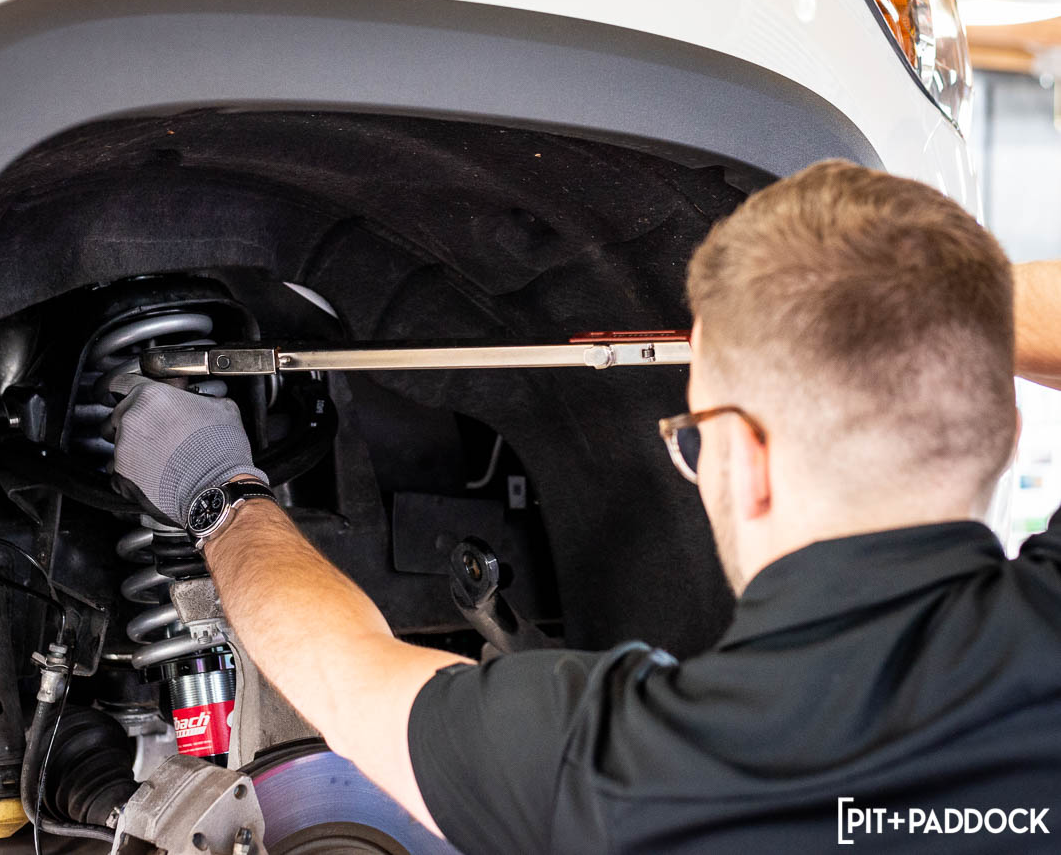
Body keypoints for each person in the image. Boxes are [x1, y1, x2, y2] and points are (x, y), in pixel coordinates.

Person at [109, 160, 1061, 852]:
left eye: (692, 437)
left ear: (744, 458)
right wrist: (929, 319)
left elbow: (341, 672)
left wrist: (214, 489)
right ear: (1009, 432)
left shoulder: (624, 772)